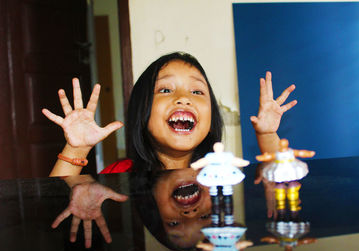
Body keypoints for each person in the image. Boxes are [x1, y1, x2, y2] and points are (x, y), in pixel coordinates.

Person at [42, 51, 297, 176]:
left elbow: (281, 188)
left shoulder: (224, 174)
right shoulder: (121, 175)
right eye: (165, 89)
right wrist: (75, 149)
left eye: (197, 92)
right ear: (143, 110)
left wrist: (267, 134)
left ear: (211, 120)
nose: (183, 98)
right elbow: (58, 216)